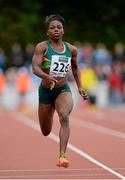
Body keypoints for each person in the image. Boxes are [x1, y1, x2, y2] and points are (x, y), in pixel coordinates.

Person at [32, 14, 88, 168]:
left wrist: (80, 87)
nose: (56, 30)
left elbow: (75, 68)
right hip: (45, 91)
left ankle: (62, 156)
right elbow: (35, 67)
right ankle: (49, 110)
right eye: (52, 28)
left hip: (62, 89)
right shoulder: (42, 47)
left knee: (64, 117)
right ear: (47, 32)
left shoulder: (72, 49)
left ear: (63, 31)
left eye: (59, 27)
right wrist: (46, 77)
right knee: (45, 131)